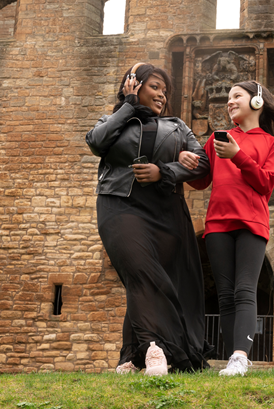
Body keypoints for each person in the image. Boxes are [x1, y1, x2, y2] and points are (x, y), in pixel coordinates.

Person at [85, 63, 212, 376]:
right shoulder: (113, 121)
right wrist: (127, 107)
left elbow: (203, 164)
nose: (162, 95)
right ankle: (156, 348)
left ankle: (132, 356)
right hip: (120, 207)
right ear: (133, 84)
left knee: (141, 280)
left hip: (165, 214)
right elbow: (95, 141)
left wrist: (165, 171)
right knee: (142, 272)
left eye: (165, 91)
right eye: (155, 86)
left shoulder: (177, 126)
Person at [180, 80, 274, 376]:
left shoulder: (271, 143)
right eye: (228, 97)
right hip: (217, 224)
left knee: (244, 290)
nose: (230, 101)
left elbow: (265, 183)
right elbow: (201, 181)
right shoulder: (216, 139)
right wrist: (186, 163)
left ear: (257, 102)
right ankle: (231, 359)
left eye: (237, 96)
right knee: (225, 294)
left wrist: (237, 155)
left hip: (252, 223)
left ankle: (240, 356)